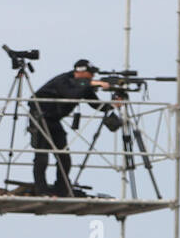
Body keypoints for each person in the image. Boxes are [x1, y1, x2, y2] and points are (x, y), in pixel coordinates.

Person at [28, 59, 117, 196]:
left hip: (54, 121)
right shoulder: (63, 80)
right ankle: (41, 190)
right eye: (90, 74)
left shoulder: (83, 86)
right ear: (80, 71)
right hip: (40, 117)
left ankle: (62, 188)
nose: (93, 76)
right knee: (42, 156)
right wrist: (92, 84)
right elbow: (71, 94)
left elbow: (95, 104)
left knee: (64, 156)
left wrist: (114, 105)